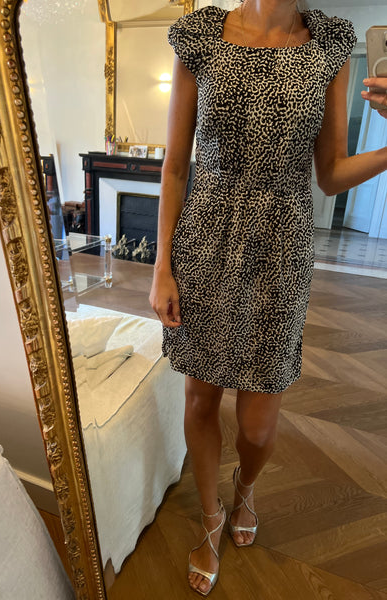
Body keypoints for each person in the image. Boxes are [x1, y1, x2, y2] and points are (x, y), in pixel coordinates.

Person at [149, 1, 387, 596]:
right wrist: (161, 267)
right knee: (201, 398)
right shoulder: (201, 35)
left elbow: (330, 172)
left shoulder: (329, 43)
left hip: (280, 252)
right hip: (205, 240)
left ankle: (245, 489)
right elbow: (175, 167)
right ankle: (210, 518)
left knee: (257, 427)